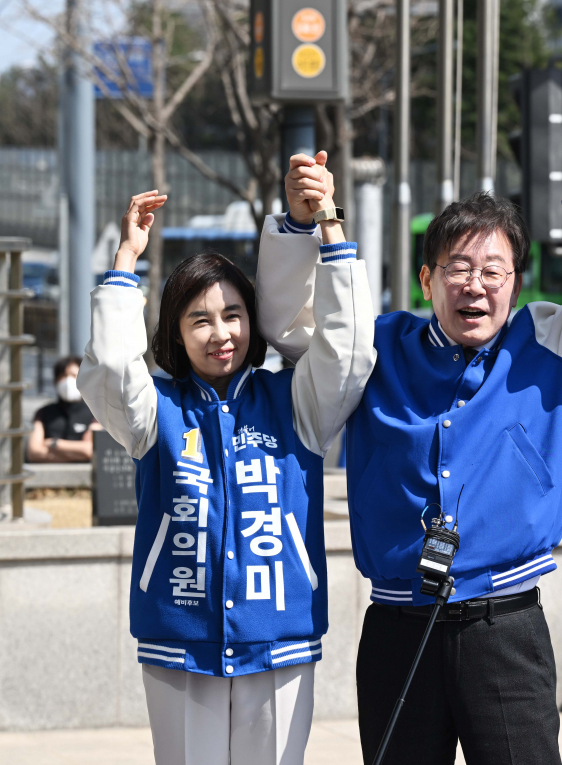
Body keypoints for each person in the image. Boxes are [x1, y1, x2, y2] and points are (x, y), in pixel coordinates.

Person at [253, 95, 562, 765]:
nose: (476, 285)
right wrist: (303, 225)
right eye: (458, 269)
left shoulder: (552, 338)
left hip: (507, 625)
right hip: (396, 625)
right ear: (426, 279)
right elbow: (289, 324)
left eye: (493, 271)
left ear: (516, 281)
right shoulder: (376, 345)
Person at [78, 177, 374, 765]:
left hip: (280, 633)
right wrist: (126, 259)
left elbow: (348, 351)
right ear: (175, 333)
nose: (222, 335)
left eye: (234, 316)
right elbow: (111, 368)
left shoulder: (293, 400)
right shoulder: (153, 411)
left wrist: (330, 227)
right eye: (200, 321)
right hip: (179, 638)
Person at [27, 355, 102, 462]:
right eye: (63, 375)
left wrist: (53, 443)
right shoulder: (43, 413)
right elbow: (34, 452)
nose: (68, 381)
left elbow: (89, 450)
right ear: (56, 381)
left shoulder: (95, 413)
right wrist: (76, 454)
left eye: (74, 375)